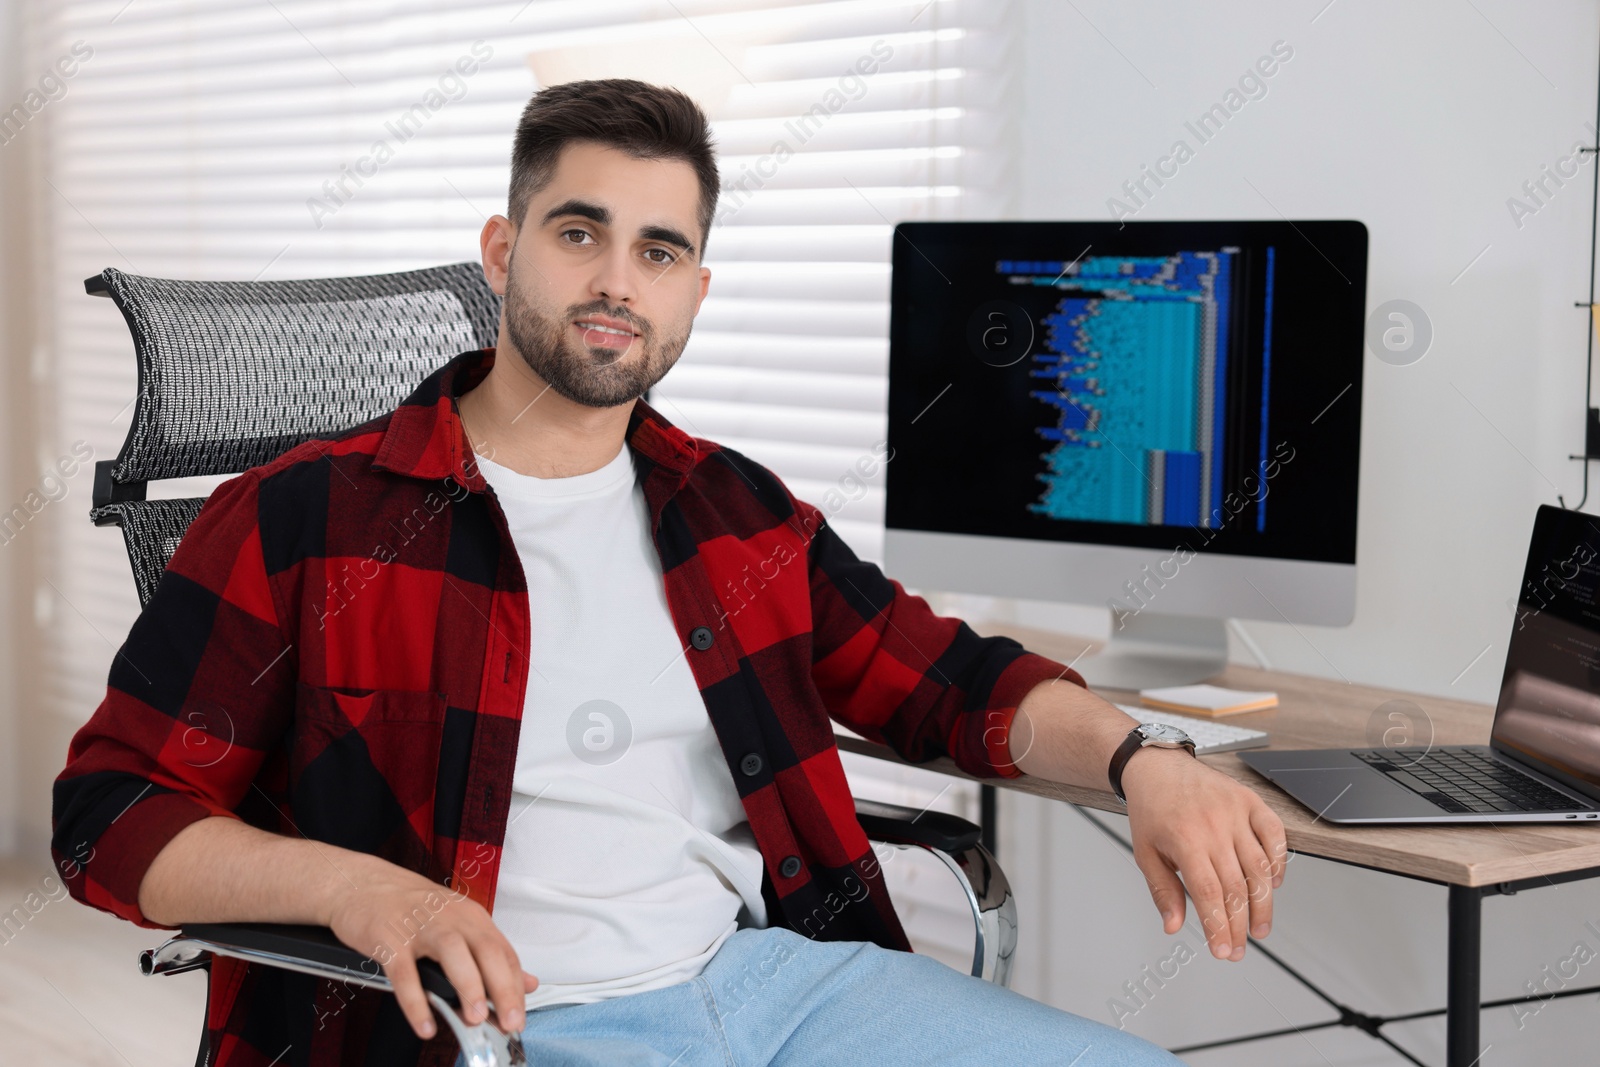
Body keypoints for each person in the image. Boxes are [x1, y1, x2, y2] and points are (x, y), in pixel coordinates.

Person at [52, 78, 1286, 1067]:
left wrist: (1143, 762)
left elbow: (951, 682)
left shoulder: (731, 513)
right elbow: (107, 818)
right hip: (496, 1025)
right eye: (578, 232)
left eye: (658, 250)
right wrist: (366, 892)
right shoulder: (303, 515)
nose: (614, 282)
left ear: (694, 287)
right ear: (501, 247)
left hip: (774, 986)